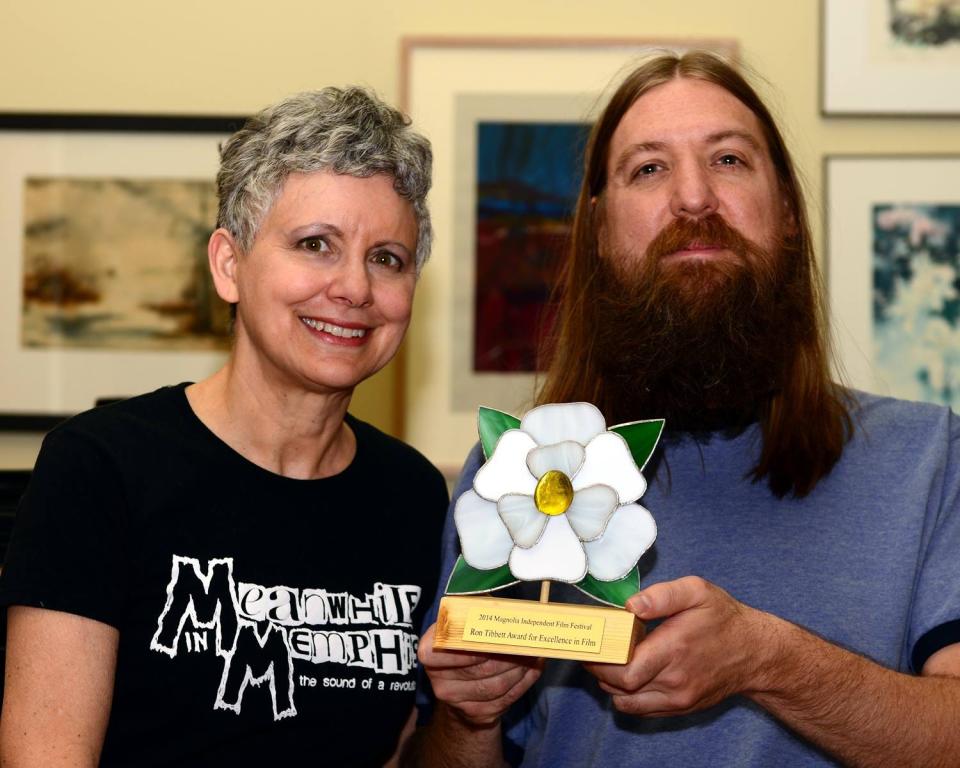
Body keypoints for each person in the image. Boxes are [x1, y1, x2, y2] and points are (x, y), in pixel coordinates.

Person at [411, 52, 960, 767]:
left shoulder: (932, 457)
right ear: (600, 233)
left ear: (788, 211)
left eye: (729, 159)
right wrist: (468, 714)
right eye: (648, 168)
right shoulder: (514, 471)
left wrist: (768, 659)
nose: (694, 197)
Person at [0, 87, 448, 766]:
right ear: (229, 265)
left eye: (386, 257)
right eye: (316, 244)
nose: (354, 288)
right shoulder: (99, 467)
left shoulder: (412, 494)